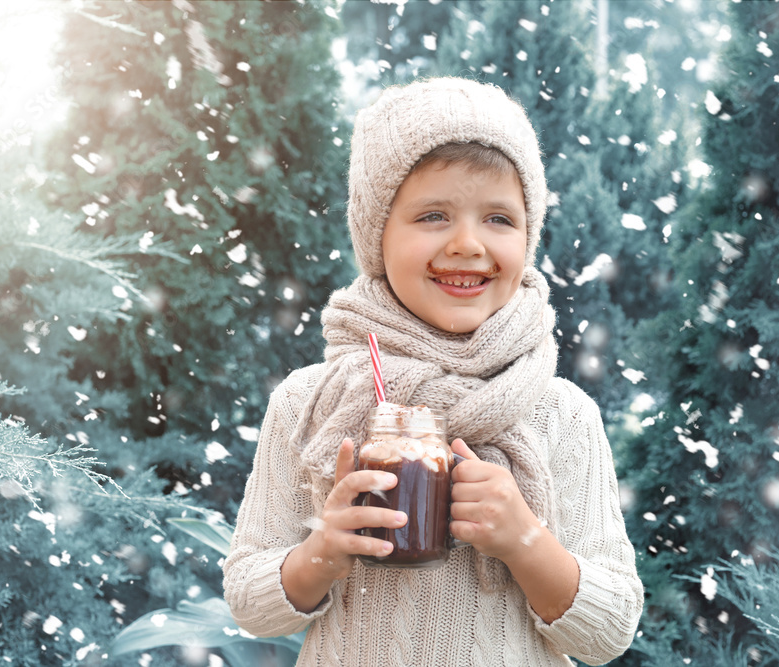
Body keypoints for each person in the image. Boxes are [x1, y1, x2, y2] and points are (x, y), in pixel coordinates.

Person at [223, 77, 643, 666]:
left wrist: (525, 542)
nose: (469, 244)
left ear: (530, 234)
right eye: (433, 215)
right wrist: (324, 552)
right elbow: (247, 599)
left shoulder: (560, 413)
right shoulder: (312, 402)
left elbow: (610, 632)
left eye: (499, 218)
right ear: (377, 237)